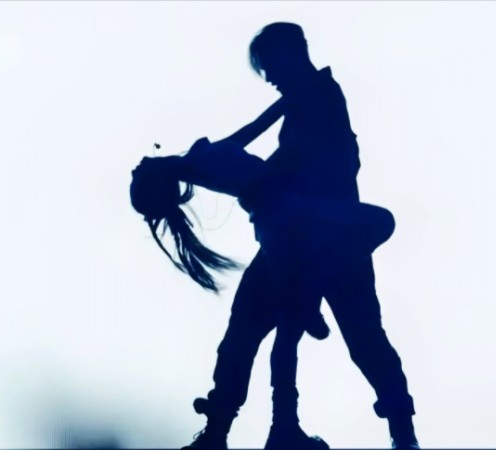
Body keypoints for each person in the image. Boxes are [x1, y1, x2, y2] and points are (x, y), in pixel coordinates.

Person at [174, 22, 420, 450]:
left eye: (270, 65)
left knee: (360, 338)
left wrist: (236, 178)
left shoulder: (321, 99)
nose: (269, 77)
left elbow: (294, 160)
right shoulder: (301, 102)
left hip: (335, 241)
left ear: (292, 53)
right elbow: (256, 149)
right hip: (291, 243)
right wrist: (195, 166)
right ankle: (217, 433)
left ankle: (403, 434)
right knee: (250, 333)